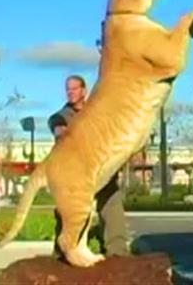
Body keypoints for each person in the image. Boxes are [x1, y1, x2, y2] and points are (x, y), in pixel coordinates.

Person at [48, 75, 129, 258]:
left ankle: (118, 251)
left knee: (112, 203)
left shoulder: (95, 109)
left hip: (100, 168)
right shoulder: (64, 115)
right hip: (76, 174)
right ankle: (61, 253)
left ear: (84, 90)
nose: (70, 92)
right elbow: (54, 121)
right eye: (68, 89)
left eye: (74, 88)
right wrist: (58, 129)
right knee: (68, 210)